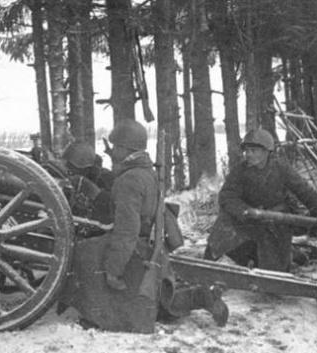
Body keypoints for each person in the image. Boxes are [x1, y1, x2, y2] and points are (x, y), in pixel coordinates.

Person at [60, 119, 228, 333]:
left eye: (116, 147)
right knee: (160, 302)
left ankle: (99, 314)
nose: (112, 150)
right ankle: (201, 296)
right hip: (144, 245)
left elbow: (126, 231)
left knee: (83, 254)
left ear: (125, 149)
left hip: (135, 249)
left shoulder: (129, 181)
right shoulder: (142, 170)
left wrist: (114, 269)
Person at [204, 128, 317, 272]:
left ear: (266, 152)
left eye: (254, 150)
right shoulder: (240, 171)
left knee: (274, 270)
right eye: (247, 151)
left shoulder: (281, 168)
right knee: (222, 231)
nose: (249, 154)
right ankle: (209, 268)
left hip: (275, 221)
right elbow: (227, 196)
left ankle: (292, 256)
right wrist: (244, 210)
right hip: (249, 219)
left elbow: (304, 190)